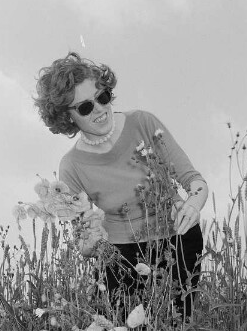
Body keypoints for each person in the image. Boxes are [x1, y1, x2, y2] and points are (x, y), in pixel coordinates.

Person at [34, 52, 208, 316]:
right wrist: (91, 242)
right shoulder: (71, 166)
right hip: (120, 257)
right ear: (67, 117)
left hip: (178, 243)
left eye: (101, 97)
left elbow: (195, 181)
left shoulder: (143, 123)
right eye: (85, 107)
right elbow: (84, 243)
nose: (100, 109)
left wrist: (193, 205)